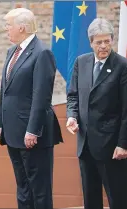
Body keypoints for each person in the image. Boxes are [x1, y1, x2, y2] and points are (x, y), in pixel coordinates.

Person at [0, 8, 63, 209]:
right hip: (12, 132)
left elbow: (41, 96)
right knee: (23, 187)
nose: (6, 29)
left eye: (9, 25)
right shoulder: (11, 52)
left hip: (32, 134)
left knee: (39, 189)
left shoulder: (42, 53)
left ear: (22, 27)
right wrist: (0, 123)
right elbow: (5, 91)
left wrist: (33, 130)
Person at [66, 18, 127, 209]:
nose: (103, 46)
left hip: (111, 147)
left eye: (107, 41)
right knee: (90, 200)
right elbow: (73, 96)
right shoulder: (81, 62)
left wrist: (123, 144)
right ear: (90, 42)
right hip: (85, 145)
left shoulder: (121, 65)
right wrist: (71, 116)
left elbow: (126, 109)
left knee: (118, 199)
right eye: (99, 42)